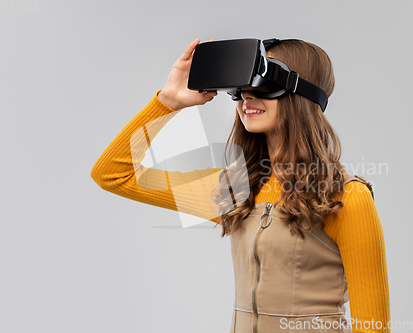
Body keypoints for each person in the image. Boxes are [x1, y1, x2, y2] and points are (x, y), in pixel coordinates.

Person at [90, 38, 391, 333]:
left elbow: (373, 327)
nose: (247, 97)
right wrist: (168, 102)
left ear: (301, 95)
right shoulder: (234, 191)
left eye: (262, 85)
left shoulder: (345, 197)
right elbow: (114, 174)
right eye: (240, 89)